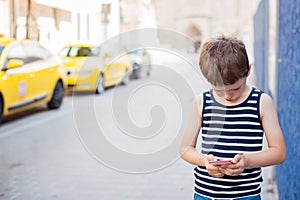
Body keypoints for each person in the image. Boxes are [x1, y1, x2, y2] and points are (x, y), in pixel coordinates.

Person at [180, 35, 286, 200]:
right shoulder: (201, 103)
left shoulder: (262, 103)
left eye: (235, 89)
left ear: (248, 71)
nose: (228, 96)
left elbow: (279, 152)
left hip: (246, 196)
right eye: (219, 90)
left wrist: (247, 161)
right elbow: (185, 148)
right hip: (205, 195)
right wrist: (204, 161)